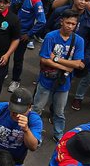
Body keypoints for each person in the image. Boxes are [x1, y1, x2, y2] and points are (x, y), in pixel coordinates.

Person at [32, 10, 85, 146]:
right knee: (37, 108)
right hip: (46, 79)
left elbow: (78, 63)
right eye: (68, 22)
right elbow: (44, 59)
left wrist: (55, 59)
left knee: (59, 112)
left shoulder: (79, 41)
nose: (70, 26)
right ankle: (34, 134)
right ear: (62, 21)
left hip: (63, 82)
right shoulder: (51, 37)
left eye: (73, 24)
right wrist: (67, 67)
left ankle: (59, 135)